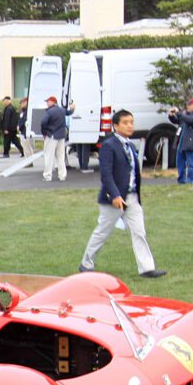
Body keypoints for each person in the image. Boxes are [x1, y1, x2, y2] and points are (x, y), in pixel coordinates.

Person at [79, 110, 166, 279]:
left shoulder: (130, 145)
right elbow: (106, 174)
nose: (129, 125)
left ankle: (147, 268)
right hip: (114, 199)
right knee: (102, 231)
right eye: (125, 122)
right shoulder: (109, 145)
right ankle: (86, 264)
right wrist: (116, 195)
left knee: (139, 232)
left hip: (132, 198)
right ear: (116, 125)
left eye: (131, 122)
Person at [169, 98, 193, 184]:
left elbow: (190, 120)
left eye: (189, 104)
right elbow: (177, 120)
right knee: (180, 163)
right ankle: (181, 180)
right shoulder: (185, 114)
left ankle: (191, 180)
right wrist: (171, 115)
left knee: (191, 163)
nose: (187, 106)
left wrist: (178, 113)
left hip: (190, 143)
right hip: (181, 142)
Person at [40, 95, 74, 182]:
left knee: (48, 156)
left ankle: (47, 175)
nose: (47, 103)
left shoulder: (50, 111)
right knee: (60, 156)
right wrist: (73, 108)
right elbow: (69, 113)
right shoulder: (62, 110)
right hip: (61, 136)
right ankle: (62, 175)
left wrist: (44, 133)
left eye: (48, 101)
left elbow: (43, 122)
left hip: (51, 136)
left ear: (52, 102)